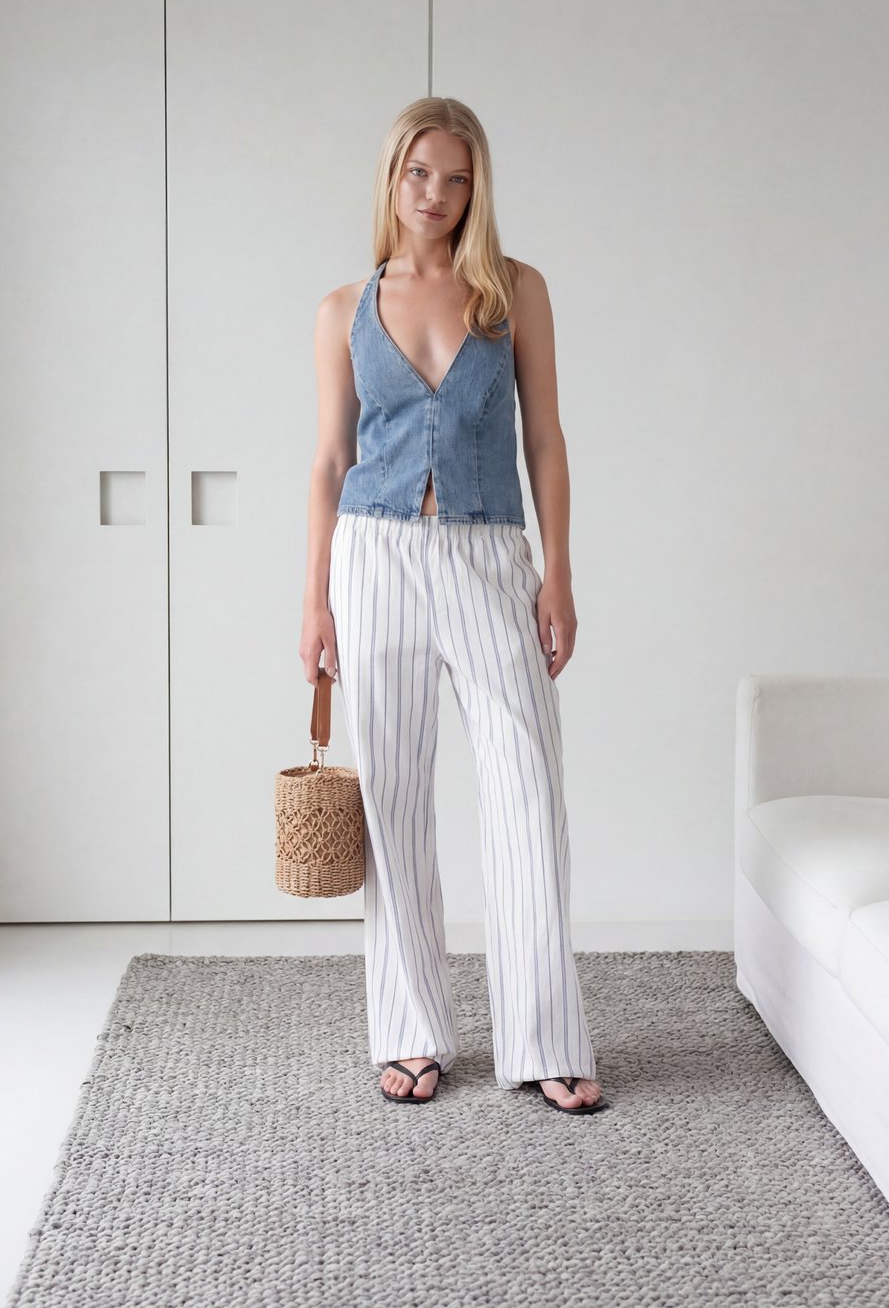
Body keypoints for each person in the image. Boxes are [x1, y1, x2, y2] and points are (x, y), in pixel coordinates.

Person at [299, 97, 607, 1115]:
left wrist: (557, 573)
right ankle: (410, 1032)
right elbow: (329, 461)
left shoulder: (515, 292)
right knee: (392, 800)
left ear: (478, 188)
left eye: (456, 178)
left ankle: (546, 1038)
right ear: (393, 177)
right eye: (419, 173)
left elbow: (546, 440)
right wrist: (315, 601)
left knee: (526, 791)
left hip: (488, 555)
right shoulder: (344, 308)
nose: (435, 194)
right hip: (373, 558)